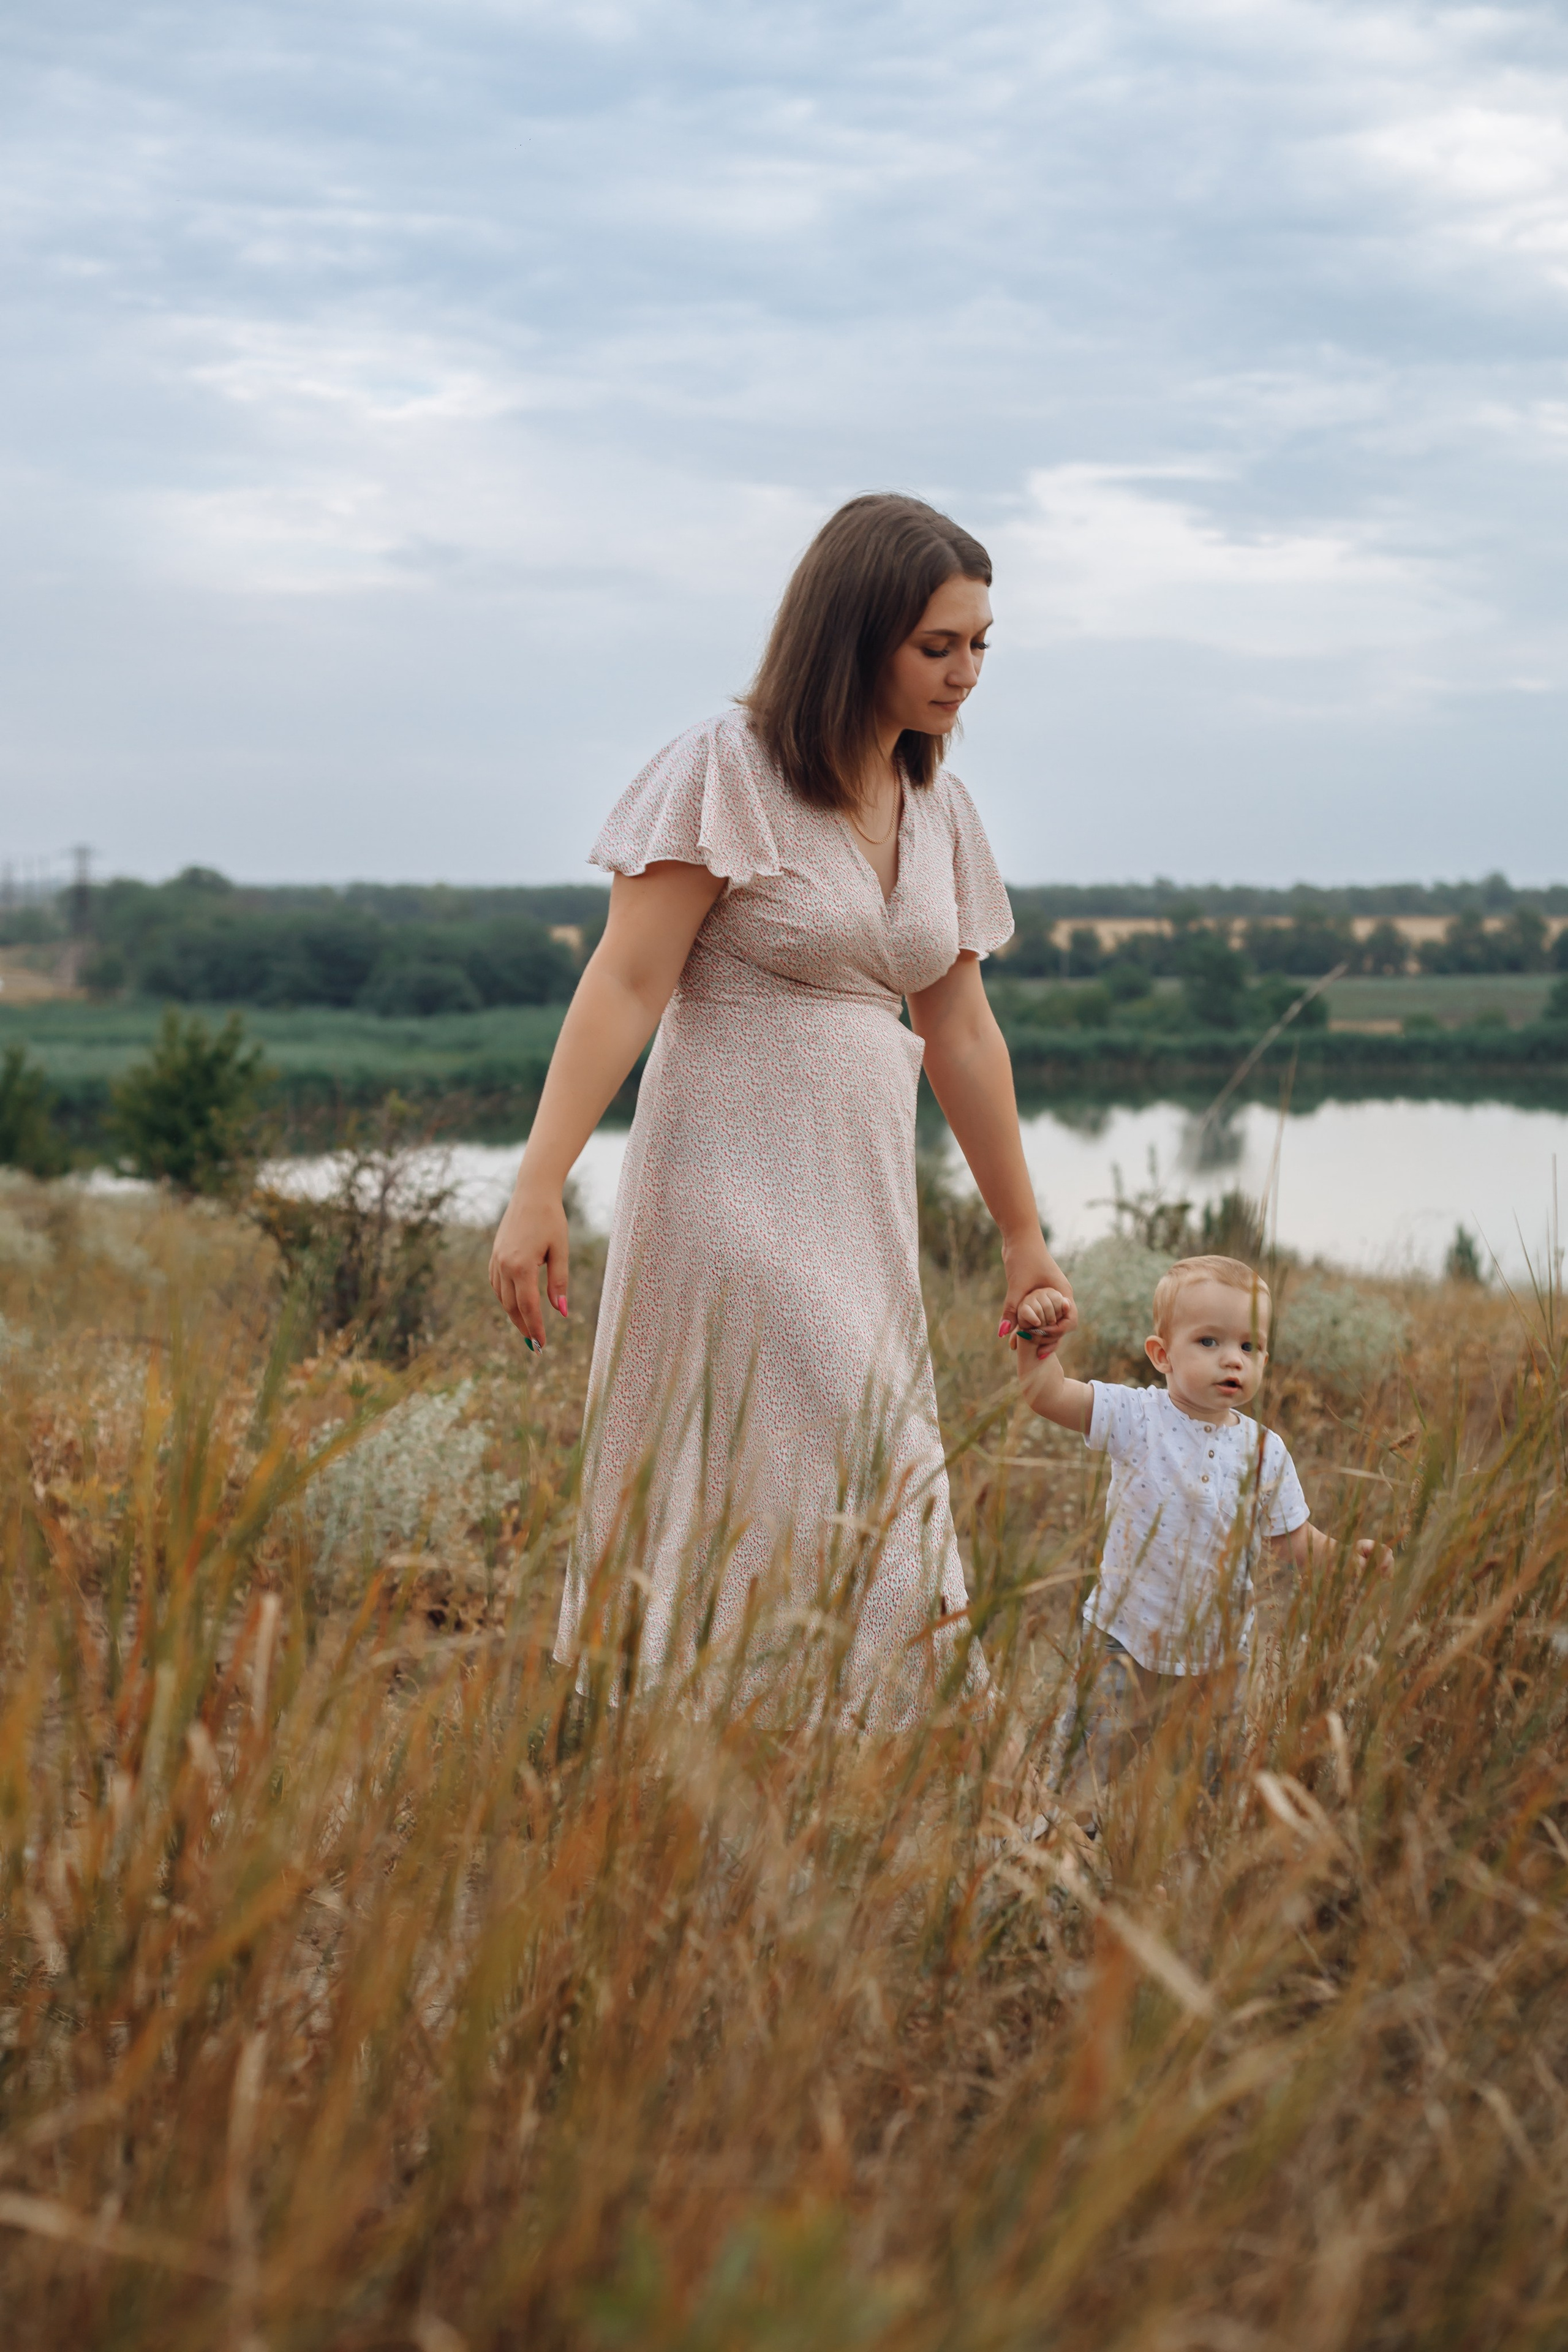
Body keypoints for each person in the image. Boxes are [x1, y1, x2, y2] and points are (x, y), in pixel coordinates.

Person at [489, 493, 1076, 1717]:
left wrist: (1021, 1236)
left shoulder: (938, 809)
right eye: (936, 647)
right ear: (852, 634)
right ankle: (876, 1765)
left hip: (860, 1206)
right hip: (726, 1193)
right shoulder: (728, 769)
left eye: (980, 646)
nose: (965, 673)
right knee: (874, 1472)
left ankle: (806, 1797)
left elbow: (960, 1032)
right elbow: (627, 980)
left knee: (834, 1487)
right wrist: (538, 1181)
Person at [1013, 1253, 1383, 1778]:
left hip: (1218, 1660)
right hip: (1123, 1640)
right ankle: (1067, 1847)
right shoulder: (1136, 1417)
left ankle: (1187, 1854)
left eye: (1248, 1346)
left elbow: (1290, 1539)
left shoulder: (1264, 1450)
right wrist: (1036, 1343)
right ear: (1161, 1354)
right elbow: (1046, 1393)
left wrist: (1344, 1559)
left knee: (1211, 1793)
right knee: (1082, 1781)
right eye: (1209, 1342)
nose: (1232, 1359)